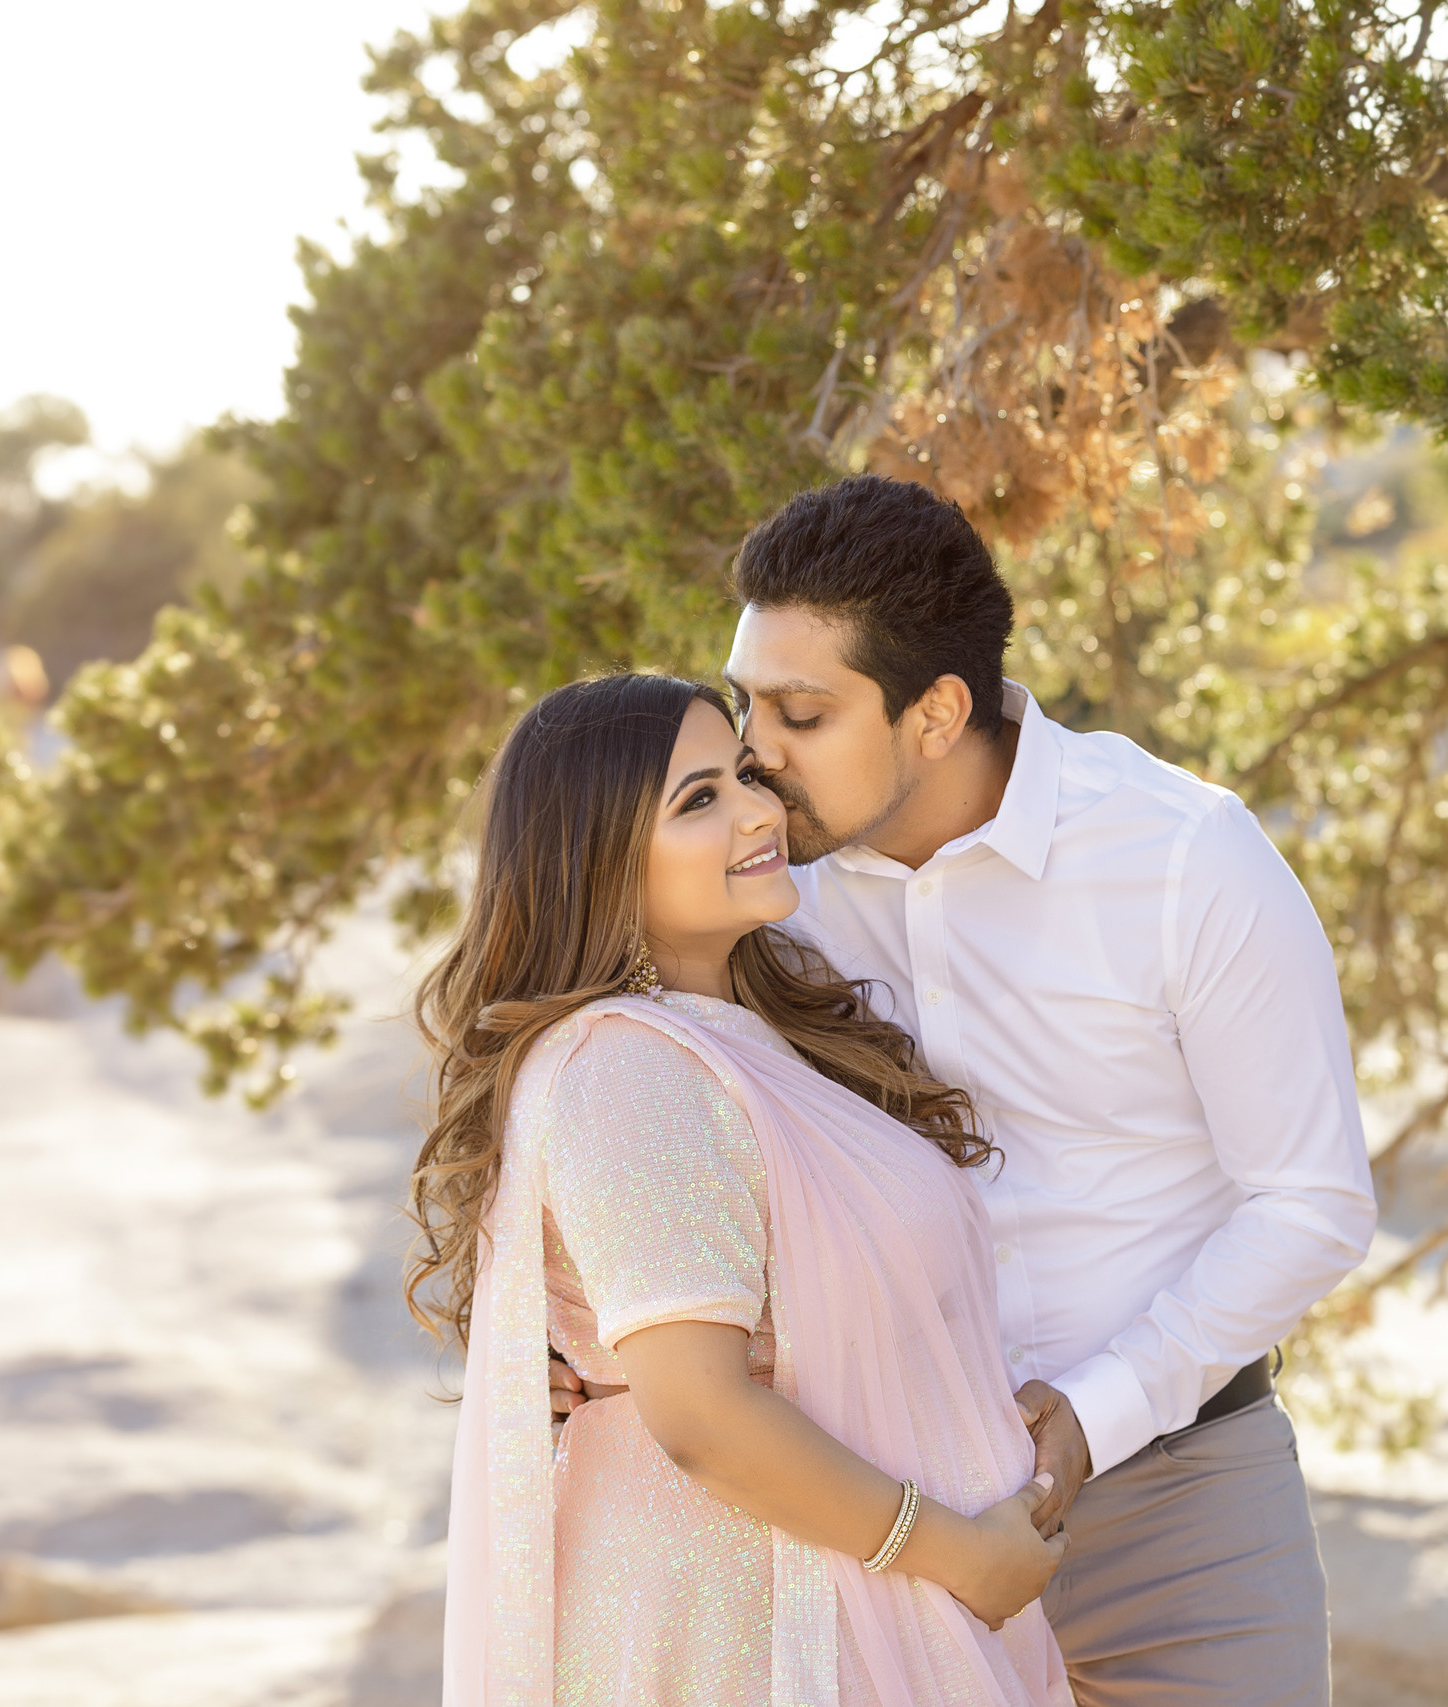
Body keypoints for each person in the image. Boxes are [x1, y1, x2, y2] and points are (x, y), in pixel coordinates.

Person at [557, 474, 1378, 1702]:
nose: (756, 759)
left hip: (1177, 1497)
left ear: (935, 713)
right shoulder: (771, 893)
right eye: (745, 706)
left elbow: (1312, 1205)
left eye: (800, 714)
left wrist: (1095, 1416)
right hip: (878, 1514)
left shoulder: (1181, 858)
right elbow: (643, 1098)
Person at [415, 670, 1074, 1707]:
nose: (760, 810)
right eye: (699, 799)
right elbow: (701, 1416)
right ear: (595, 860)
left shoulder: (752, 1038)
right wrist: (955, 1554)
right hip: (758, 1625)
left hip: (848, 1591)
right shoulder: (626, 1072)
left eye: (744, 775)